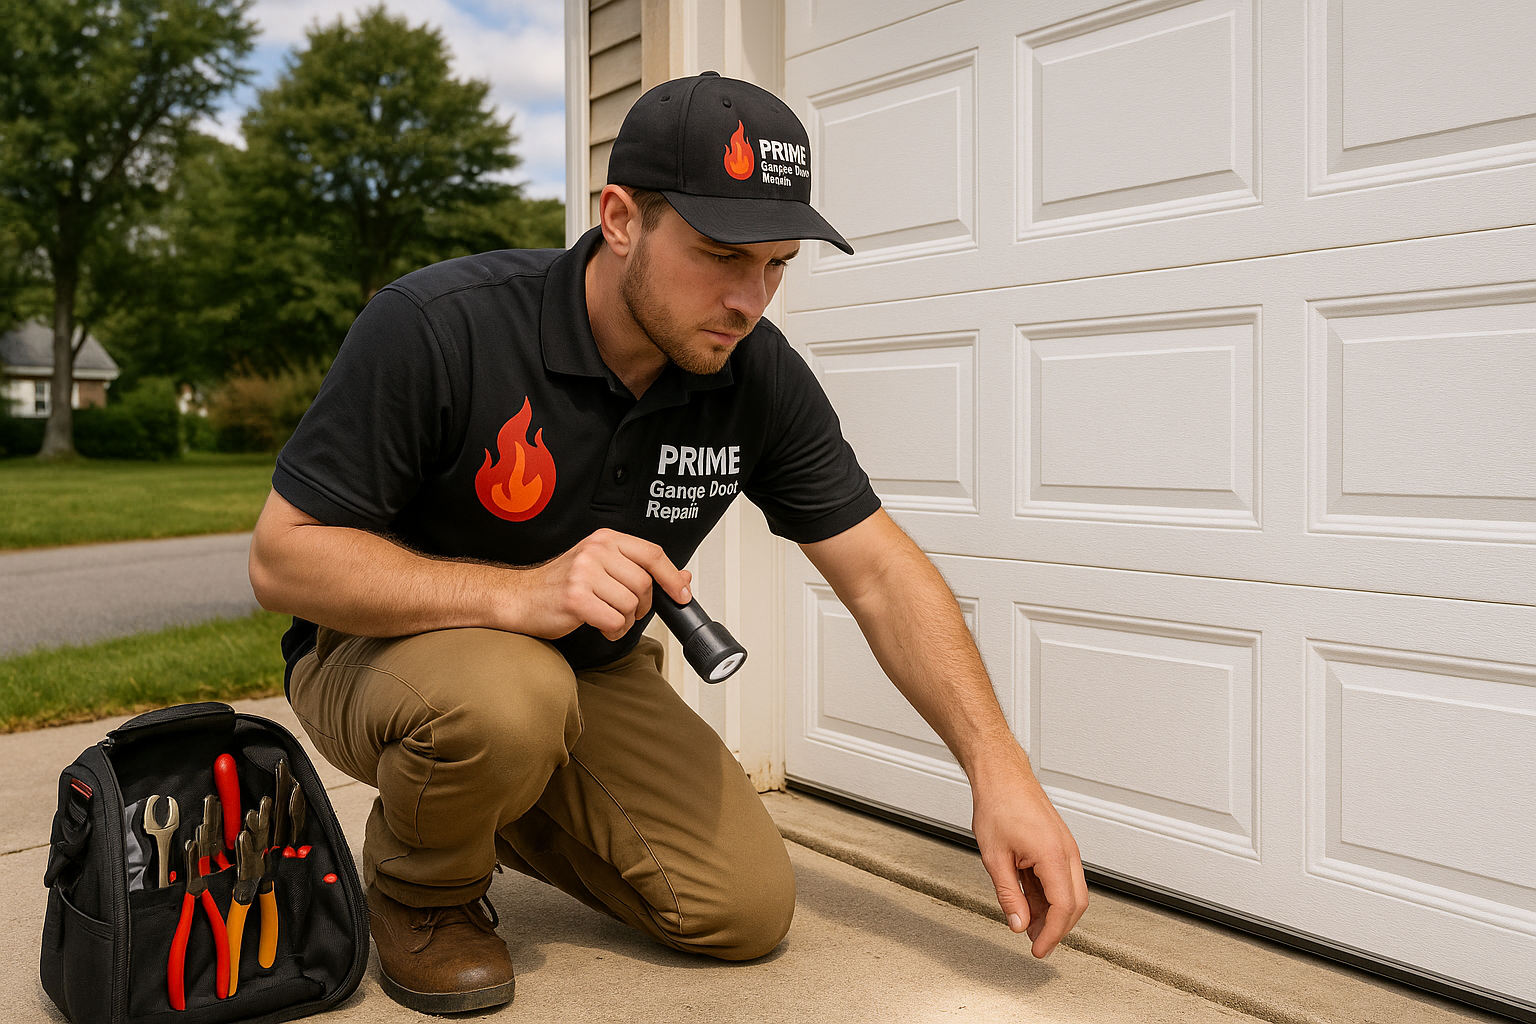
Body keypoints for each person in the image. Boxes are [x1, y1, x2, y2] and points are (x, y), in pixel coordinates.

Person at [249, 71, 1088, 1014]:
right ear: (619, 218)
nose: (749, 299)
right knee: (505, 701)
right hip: (376, 652)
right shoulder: (441, 326)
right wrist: (519, 596)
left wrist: (998, 770)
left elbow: (884, 575)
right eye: (722, 254)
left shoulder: (754, 376)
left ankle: (482, 794)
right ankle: (423, 891)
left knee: (741, 912)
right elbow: (284, 558)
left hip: (588, 672)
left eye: (776, 265)